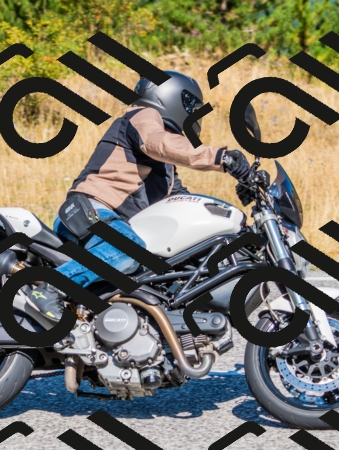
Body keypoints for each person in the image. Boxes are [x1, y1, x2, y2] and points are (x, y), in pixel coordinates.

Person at [26, 70, 251, 322]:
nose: (192, 115)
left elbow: (181, 202)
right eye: (191, 107)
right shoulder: (142, 116)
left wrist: (237, 225)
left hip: (112, 221)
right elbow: (157, 142)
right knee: (130, 250)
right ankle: (50, 288)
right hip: (90, 210)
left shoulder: (165, 167)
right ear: (171, 97)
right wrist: (222, 158)